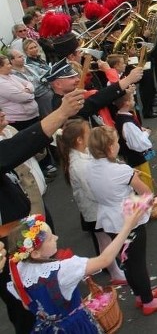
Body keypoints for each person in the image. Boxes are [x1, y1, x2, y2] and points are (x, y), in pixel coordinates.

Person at [0, 89, 85, 334]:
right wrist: (61, 113)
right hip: (9, 245)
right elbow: (15, 149)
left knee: (42, 290)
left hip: (20, 229)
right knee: (25, 306)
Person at [6, 209, 146, 332]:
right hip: (75, 327)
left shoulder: (18, 268)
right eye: (49, 238)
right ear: (35, 253)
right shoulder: (63, 270)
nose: (56, 237)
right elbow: (105, 260)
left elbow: (27, 304)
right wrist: (127, 226)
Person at [85, 126, 157, 315]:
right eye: (116, 142)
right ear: (109, 148)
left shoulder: (90, 168)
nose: (118, 144)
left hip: (108, 219)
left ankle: (141, 294)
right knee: (138, 262)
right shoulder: (122, 170)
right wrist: (135, 186)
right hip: (127, 219)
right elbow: (146, 193)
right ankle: (148, 301)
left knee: (127, 261)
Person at [56, 118, 127, 284]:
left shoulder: (83, 154)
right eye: (88, 133)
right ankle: (114, 272)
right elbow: (92, 190)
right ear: (79, 140)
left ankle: (114, 267)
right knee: (105, 241)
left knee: (107, 239)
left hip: (97, 207)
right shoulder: (78, 165)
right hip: (94, 210)